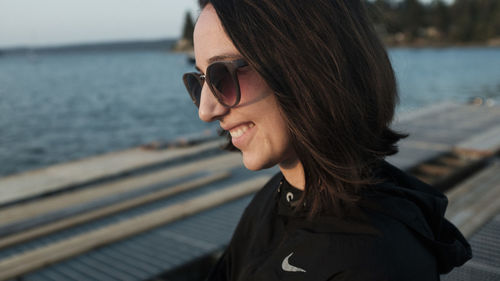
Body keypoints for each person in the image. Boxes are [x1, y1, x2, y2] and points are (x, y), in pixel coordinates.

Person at [181, 0, 472, 280]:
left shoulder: (374, 263)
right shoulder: (278, 195)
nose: (206, 111)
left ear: (309, 66)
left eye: (223, 73)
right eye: (200, 81)